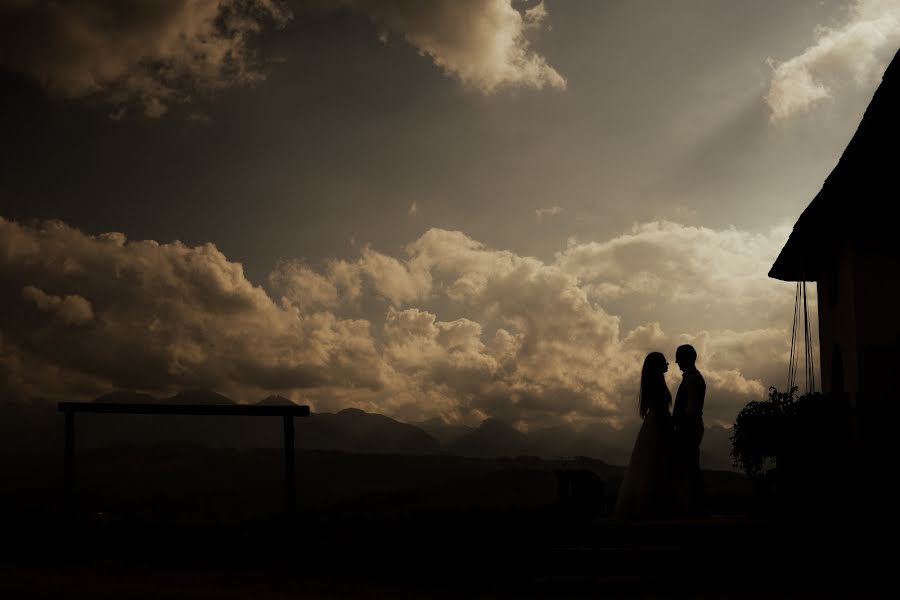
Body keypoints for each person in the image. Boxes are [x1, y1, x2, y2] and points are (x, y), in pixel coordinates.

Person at [613, 352, 679, 521]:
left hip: (653, 427)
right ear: (658, 365)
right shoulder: (657, 385)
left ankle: (649, 507)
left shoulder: (653, 383)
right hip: (658, 428)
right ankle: (654, 508)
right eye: (664, 361)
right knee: (656, 465)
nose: (668, 363)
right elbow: (661, 411)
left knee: (649, 466)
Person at [672, 344, 706, 517]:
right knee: (690, 466)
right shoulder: (692, 377)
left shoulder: (692, 379)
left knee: (690, 467)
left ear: (686, 358)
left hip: (688, 429)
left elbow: (691, 409)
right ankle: (694, 506)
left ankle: (696, 507)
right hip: (691, 428)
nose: (676, 362)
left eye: (679, 357)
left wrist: (677, 423)